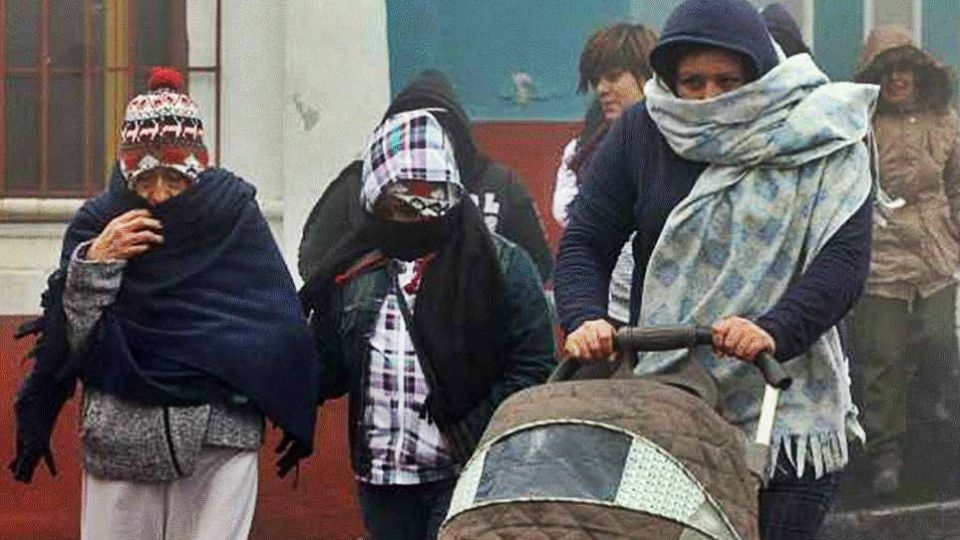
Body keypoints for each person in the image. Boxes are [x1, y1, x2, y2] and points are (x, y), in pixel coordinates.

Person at [554, 1, 876, 538]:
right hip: (666, 402)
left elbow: (843, 262)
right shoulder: (643, 130)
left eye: (728, 82)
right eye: (693, 83)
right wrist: (586, 316)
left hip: (784, 406)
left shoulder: (820, 131)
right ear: (670, 80)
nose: (710, 99)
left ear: (759, 74)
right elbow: (587, 240)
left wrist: (774, 329)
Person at [9, 67, 321, 540]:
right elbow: (76, 339)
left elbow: (274, 321)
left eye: (173, 179)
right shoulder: (98, 222)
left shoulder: (231, 215)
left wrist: (235, 379)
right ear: (126, 170)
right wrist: (95, 262)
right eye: (146, 179)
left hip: (219, 437)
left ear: (197, 167)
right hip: (121, 436)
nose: (158, 195)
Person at [299, 109, 555, 540]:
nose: (420, 218)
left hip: (467, 474)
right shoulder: (354, 273)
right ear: (375, 202)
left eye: (433, 200)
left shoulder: (503, 266)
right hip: (382, 480)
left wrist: (472, 429)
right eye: (402, 205)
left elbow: (533, 366)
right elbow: (328, 367)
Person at [299, 71, 553, 285]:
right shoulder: (358, 183)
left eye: (437, 127)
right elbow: (313, 261)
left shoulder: (499, 183)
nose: (423, 138)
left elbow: (537, 265)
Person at [849, 25, 960, 496]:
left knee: (939, 341)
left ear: (919, 73)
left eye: (904, 69)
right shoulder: (860, 127)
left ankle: (931, 415)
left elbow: (956, 185)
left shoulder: (945, 122)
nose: (897, 79)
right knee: (881, 358)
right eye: (887, 71)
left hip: (935, 251)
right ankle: (885, 454)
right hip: (882, 254)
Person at [552, 22, 658, 323]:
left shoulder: (677, 147)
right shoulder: (581, 150)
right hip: (603, 313)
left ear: (646, 74)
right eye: (596, 79)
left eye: (612, 77)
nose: (601, 89)